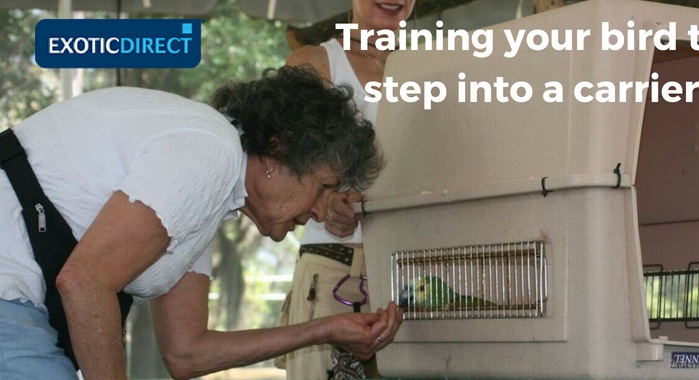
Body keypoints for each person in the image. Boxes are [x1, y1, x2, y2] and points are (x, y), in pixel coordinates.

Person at [0, 65, 402, 380]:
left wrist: (326, 329)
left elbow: (186, 353)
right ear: (279, 153)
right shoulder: (211, 153)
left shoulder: (210, 197)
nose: (319, 210)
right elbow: (85, 282)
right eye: (323, 186)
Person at [278, 1, 415, 379]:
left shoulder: (437, 65)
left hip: (416, 277)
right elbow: (278, 165)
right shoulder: (314, 64)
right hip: (337, 267)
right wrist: (323, 200)